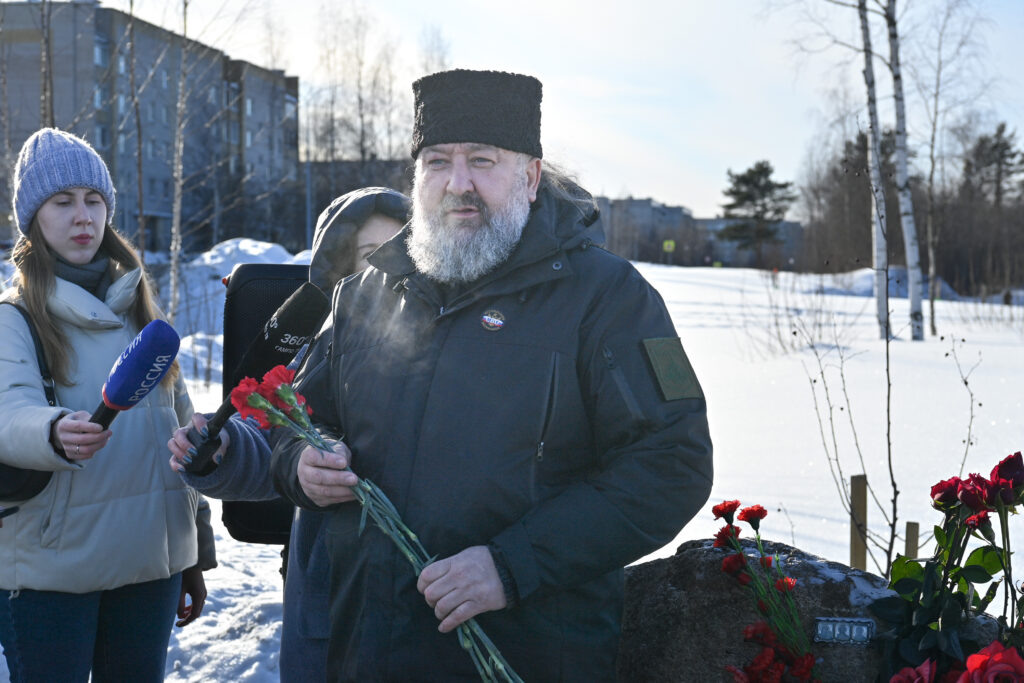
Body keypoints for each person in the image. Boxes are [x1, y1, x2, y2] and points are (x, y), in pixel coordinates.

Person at [271, 69, 714, 682]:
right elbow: (297, 419)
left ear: (530, 177)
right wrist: (300, 464)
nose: (458, 184)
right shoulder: (364, 295)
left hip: (526, 655)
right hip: (370, 652)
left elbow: (671, 462)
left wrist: (513, 566)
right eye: (436, 161)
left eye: (482, 160)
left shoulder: (612, 300)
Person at [167, 187, 409, 682]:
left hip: (426, 602)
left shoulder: (454, 348)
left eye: (401, 253)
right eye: (368, 258)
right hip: (330, 603)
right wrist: (224, 451)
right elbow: (268, 444)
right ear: (335, 272)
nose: (386, 273)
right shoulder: (315, 351)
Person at [0, 128, 215, 682]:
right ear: (33, 218)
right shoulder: (14, 317)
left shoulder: (141, 313)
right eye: (63, 201)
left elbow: (183, 435)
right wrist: (52, 432)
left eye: (94, 200)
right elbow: (7, 412)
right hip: (51, 577)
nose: (83, 216)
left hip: (150, 570)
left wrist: (194, 551)